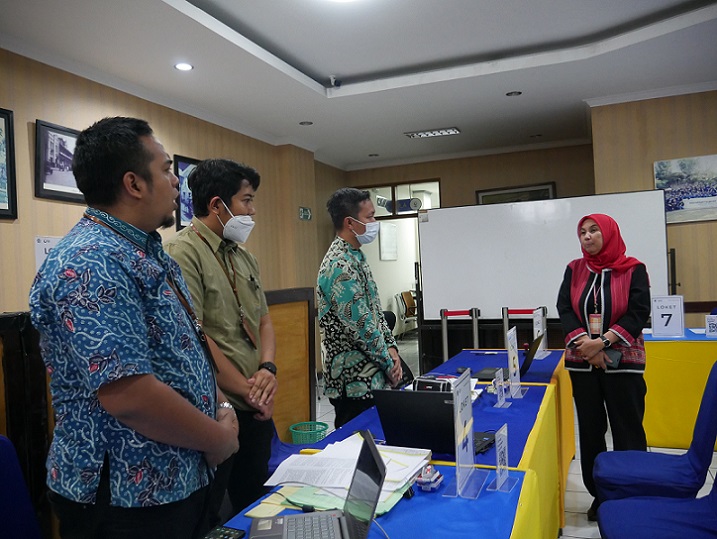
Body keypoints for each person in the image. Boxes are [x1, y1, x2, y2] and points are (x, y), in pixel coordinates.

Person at [29, 117, 239, 539]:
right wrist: (217, 440)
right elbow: (130, 396)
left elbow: (186, 348)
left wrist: (222, 405)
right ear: (134, 183)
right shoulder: (90, 261)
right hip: (127, 499)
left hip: (180, 479)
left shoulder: (146, 251)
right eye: (166, 169)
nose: (176, 182)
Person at [165, 159, 277, 520]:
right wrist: (248, 391)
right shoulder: (183, 252)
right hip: (218, 407)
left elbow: (264, 321)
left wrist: (268, 370)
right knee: (211, 513)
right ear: (217, 205)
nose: (253, 211)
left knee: (257, 503)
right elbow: (194, 335)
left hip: (256, 403)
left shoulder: (245, 257)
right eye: (247, 200)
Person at [556, 213, 651, 522]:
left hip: (624, 363)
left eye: (594, 230)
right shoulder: (574, 269)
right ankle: (600, 495)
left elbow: (639, 313)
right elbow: (565, 308)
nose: (587, 236)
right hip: (583, 364)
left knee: (628, 430)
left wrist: (603, 343)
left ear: (608, 233)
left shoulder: (634, 269)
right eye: (582, 232)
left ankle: (631, 494)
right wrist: (587, 344)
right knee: (591, 431)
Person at [317, 188, 402, 428]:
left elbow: (375, 311)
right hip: (352, 382)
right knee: (356, 446)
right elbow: (362, 328)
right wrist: (389, 364)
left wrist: (392, 349)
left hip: (372, 377)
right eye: (370, 216)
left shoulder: (356, 256)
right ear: (349, 222)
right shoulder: (339, 264)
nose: (375, 222)